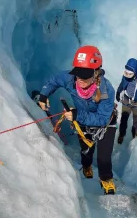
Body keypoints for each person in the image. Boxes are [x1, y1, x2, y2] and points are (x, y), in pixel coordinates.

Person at [38, 45, 117, 194]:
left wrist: (77, 115)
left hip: (106, 124)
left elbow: (101, 119)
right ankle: (86, 166)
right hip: (82, 123)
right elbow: (54, 81)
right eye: (78, 73)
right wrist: (44, 94)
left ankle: (106, 179)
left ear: (96, 73)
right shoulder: (70, 79)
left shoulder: (107, 90)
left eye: (85, 75)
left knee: (104, 157)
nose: (80, 78)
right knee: (86, 151)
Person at [116, 58, 137, 144]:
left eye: (129, 74)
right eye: (126, 73)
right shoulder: (126, 75)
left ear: (135, 72)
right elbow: (122, 84)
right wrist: (118, 91)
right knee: (124, 118)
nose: (127, 75)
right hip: (126, 100)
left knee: (136, 120)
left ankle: (134, 137)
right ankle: (121, 135)